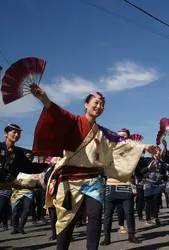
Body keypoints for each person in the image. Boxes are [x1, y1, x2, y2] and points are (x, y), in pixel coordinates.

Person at [30, 86, 157, 250]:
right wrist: (44, 99)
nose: (99, 107)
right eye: (96, 103)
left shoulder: (102, 132)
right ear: (86, 104)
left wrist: (144, 146)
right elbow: (57, 113)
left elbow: (121, 141)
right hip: (69, 178)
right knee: (66, 220)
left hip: (92, 179)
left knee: (96, 215)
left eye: (102, 104)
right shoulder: (73, 121)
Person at [100, 128, 142, 245]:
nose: (121, 138)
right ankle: (107, 237)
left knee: (129, 213)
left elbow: (138, 169)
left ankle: (131, 235)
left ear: (128, 138)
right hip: (111, 185)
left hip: (125, 185)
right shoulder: (110, 150)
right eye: (119, 136)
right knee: (107, 214)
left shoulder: (132, 153)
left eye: (124, 136)